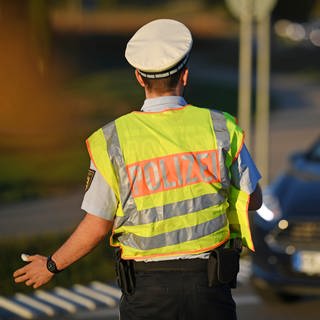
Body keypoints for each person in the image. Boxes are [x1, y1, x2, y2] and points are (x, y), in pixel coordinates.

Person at [13, 19, 262, 320]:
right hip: (209, 289)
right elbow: (254, 199)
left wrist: (51, 264)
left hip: (148, 293)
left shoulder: (113, 140)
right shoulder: (220, 128)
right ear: (185, 76)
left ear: (139, 79)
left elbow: (97, 224)